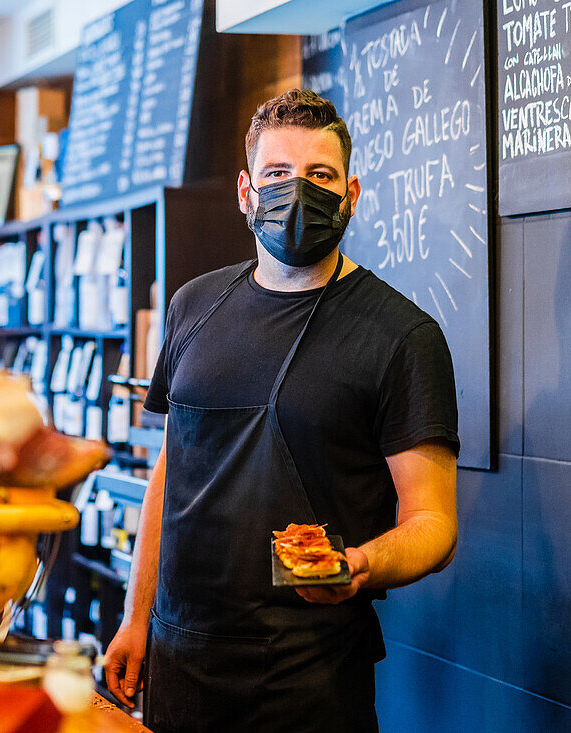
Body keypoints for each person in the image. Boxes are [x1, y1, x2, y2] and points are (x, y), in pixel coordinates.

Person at [104, 89, 459, 733]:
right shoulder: (192, 307)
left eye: (319, 176)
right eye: (277, 174)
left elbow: (434, 521)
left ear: (350, 195)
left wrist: (360, 565)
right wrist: (136, 617)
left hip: (309, 678)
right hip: (180, 660)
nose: (298, 191)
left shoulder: (401, 336)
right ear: (245, 190)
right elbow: (171, 472)